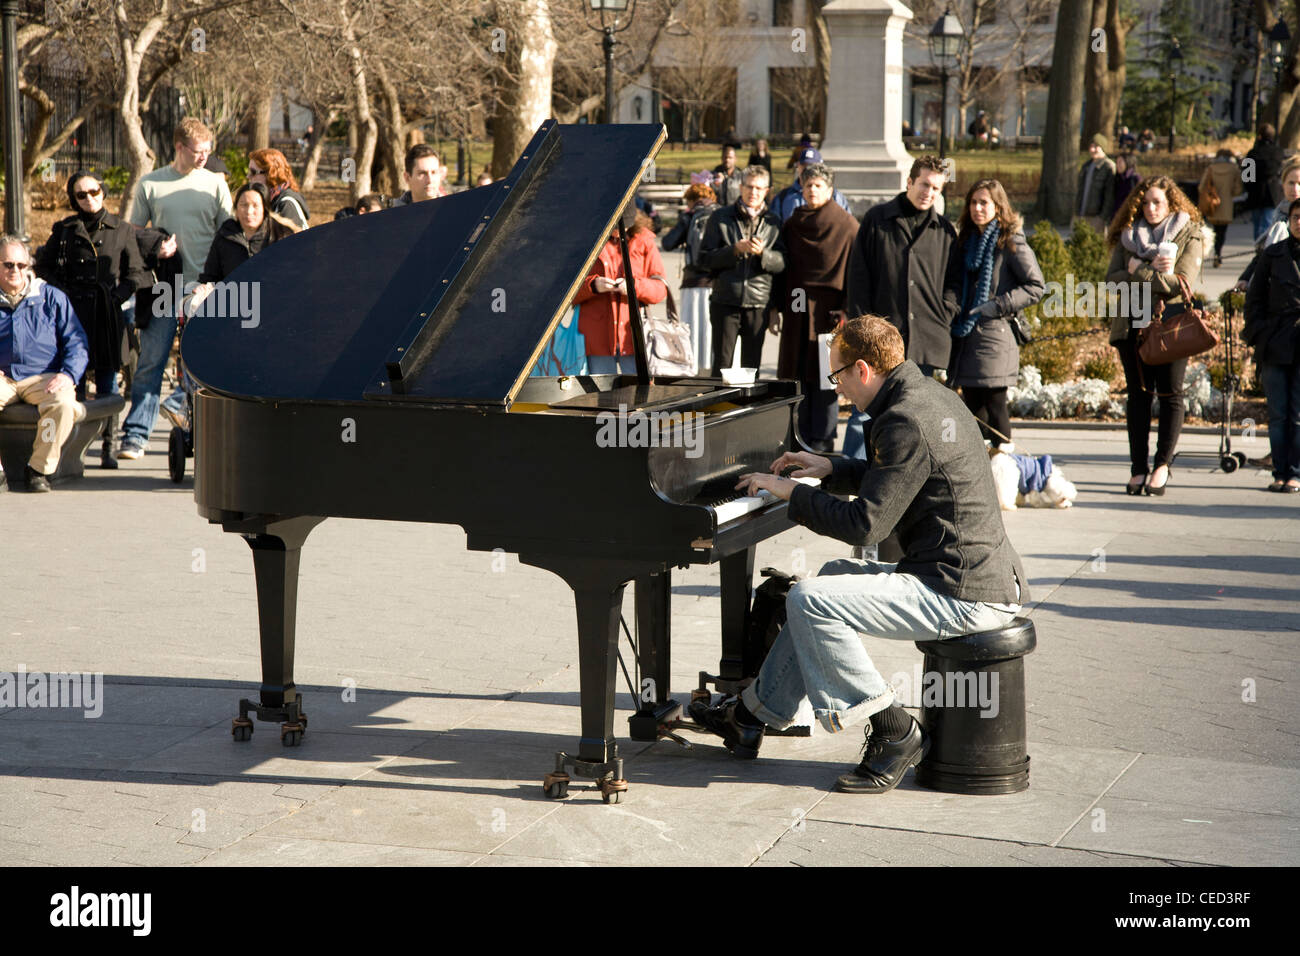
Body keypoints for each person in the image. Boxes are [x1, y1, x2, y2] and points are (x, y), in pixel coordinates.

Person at [688, 315, 1028, 793]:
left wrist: (791, 493)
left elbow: (866, 524)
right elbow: (900, 477)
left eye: (838, 375)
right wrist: (831, 467)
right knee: (828, 576)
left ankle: (894, 729)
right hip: (973, 574)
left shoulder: (904, 420)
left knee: (810, 598)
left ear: (863, 369)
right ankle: (751, 718)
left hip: (964, 591)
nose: (838, 388)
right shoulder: (925, 395)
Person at [121, 117, 232, 459]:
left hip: (205, 290)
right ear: (180, 147)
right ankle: (137, 435)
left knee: (205, 365)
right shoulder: (151, 184)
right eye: (198, 151)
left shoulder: (215, 184)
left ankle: (193, 421)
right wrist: (156, 246)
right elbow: (132, 233)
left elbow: (229, 235)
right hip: (164, 288)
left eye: (208, 151)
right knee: (152, 362)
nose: (204, 157)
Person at [843, 155, 960, 457]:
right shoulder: (876, 220)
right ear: (909, 182)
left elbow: (954, 282)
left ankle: (902, 483)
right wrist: (861, 331)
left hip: (925, 339)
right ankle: (848, 486)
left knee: (915, 416)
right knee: (863, 412)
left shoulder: (945, 231)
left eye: (936, 188)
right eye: (924, 184)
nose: (929, 193)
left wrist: (945, 310)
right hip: (879, 339)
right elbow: (858, 278)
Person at [35, 170, 149, 468]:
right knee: (74, 383)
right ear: (74, 198)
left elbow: (136, 273)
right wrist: (62, 294)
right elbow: (42, 267)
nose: (89, 199)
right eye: (81, 194)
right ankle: (72, 449)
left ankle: (109, 447)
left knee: (108, 382)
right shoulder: (64, 229)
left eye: (94, 191)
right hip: (73, 315)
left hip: (106, 314)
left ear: (103, 191)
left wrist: (116, 297)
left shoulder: (121, 229)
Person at [1105, 175, 1204, 497]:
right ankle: (1138, 469)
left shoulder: (1190, 233)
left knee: (1170, 394)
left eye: (1157, 202)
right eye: (1145, 202)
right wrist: (1152, 273)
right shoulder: (1128, 235)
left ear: (1172, 203)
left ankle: (1162, 465)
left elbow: (1181, 283)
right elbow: (1111, 279)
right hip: (1131, 324)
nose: (1150, 208)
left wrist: (1139, 270)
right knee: (1138, 396)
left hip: (1172, 325)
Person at [948, 179, 1044, 450]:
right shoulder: (966, 241)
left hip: (995, 336)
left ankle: (1004, 469)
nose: (978, 208)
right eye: (973, 202)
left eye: (984, 203)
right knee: (973, 410)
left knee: (995, 406)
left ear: (998, 206)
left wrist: (999, 304)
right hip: (966, 336)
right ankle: (983, 473)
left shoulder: (1010, 241)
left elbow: (1037, 286)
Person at [777, 162, 858, 452]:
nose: (812, 190)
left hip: (829, 313)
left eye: (818, 185)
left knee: (826, 376)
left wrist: (848, 309)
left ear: (830, 190)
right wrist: (777, 307)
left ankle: (823, 439)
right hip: (797, 310)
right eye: (808, 184)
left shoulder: (846, 224)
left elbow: (855, 269)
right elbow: (783, 270)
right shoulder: (793, 222)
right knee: (797, 373)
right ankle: (796, 436)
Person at [0, 235, 89, 492]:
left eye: (21, 265)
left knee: (62, 405)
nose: (15, 270)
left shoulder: (51, 298)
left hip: (44, 377)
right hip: (4, 378)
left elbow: (76, 342)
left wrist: (68, 375)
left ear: (29, 267)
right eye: (8, 265)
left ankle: (38, 469)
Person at [699, 165, 786, 374]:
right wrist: (734, 250)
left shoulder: (775, 222)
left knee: (751, 369)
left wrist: (763, 254)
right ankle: (717, 406)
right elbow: (703, 259)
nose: (753, 192)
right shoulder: (720, 217)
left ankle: (748, 407)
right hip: (725, 301)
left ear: (767, 191)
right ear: (740, 187)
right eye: (749, 186)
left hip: (758, 304)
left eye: (759, 188)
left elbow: (783, 263)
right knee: (721, 366)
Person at [1243, 197, 1300, 493]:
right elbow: (1254, 299)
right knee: (1278, 413)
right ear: (1288, 221)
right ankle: (1279, 470)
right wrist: (1259, 332)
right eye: (1296, 217)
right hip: (1276, 342)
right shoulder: (1274, 253)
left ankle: (1295, 472)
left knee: (1298, 414)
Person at [573, 205, 667, 375]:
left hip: (634, 338)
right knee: (596, 397)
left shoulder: (645, 242)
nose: (619, 231)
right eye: (615, 226)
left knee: (635, 396)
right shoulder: (585, 240)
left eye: (624, 226)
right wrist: (592, 285)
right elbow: (565, 294)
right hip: (595, 339)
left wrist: (634, 286)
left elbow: (660, 290)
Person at [660, 177, 720, 375]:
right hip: (718, 284)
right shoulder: (722, 214)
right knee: (713, 332)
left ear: (692, 200)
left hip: (693, 284)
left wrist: (684, 220)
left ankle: (696, 372)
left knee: (693, 334)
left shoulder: (691, 217)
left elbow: (667, 243)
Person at [769, 147, 851, 222]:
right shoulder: (783, 197)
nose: (807, 170)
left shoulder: (835, 197)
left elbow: (846, 225)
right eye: (804, 165)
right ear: (798, 166)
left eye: (812, 166)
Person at [1198, 149, 1244, 268]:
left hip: (1212, 204)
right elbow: (1238, 189)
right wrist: (1230, 193)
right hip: (1226, 204)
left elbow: (1201, 187)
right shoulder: (1234, 169)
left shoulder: (1211, 168)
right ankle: (1218, 253)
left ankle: (1215, 252)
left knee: (1214, 229)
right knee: (1222, 232)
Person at [247, 148, 309, 229]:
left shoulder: (287, 204)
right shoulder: (270, 200)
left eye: (253, 172)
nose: (248, 176)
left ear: (271, 173)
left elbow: (292, 240)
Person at [1245, 123, 1285, 241]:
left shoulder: (1252, 153)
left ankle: (1258, 249)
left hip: (1255, 194)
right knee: (1268, 224)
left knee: (1257, 225)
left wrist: (1249, 189)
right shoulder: (1278, 152)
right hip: (1272, 194)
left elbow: (1246, 177)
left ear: (1259, 136)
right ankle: (1264, 250)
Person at [1076, 133, 1117, 233]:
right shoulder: (1086, 166)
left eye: (1096, 146)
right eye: (1091, 146)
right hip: (1082, 215)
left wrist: (1102, 217)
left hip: (1097, 218)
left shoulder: (1109, 167)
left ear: (1102, 147)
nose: (1092, 150)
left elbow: (1110, 195)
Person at [1112, 153, 1140, 218]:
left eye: (1120, 162)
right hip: (1116, 217)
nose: (1117, 165)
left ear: (1128, 163)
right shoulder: (1117, 179)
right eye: (1116, 162)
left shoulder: (1135, 178)